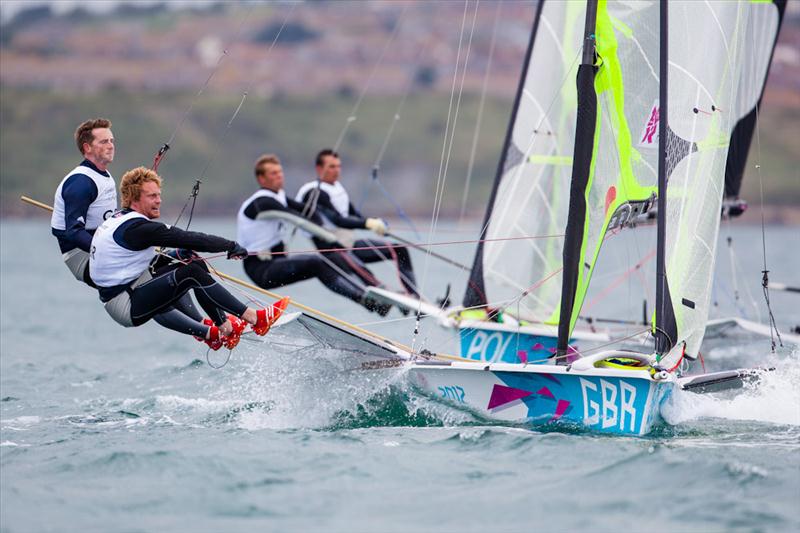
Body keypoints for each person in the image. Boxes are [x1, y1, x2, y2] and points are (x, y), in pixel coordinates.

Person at [90, 166, 289, 350]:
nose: (159, 200)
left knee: (190, 259)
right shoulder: (139, 228)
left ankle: (225, 328)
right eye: (152, 196)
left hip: (133, 285)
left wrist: (178, 254)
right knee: (191, 273)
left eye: (159, 195)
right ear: (134, 199)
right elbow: (190, 238)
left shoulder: (121, 219)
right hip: (126, 304)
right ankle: (255, 319)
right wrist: (231, 246)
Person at [236, 154, 390, 315]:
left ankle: (374, 290)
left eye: (280, 172)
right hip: (261, 270)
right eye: (273, 173)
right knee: (317, 262)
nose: (279, 176)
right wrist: (331, 238)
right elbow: (299, 220)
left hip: (277, 262)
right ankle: (367, 300)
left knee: (332, 258)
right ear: (261, 179)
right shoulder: (262, 203)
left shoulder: (278, 198)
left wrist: (329, 222)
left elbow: (308, 212)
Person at [296, 149, 418, 297]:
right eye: (332, 167)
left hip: (350, 245)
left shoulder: (336, 188)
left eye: (338, 166)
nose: (337, 170)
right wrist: (369, 223)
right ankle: (396, 301)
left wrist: (376, 223)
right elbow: (337, 220)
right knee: (372, 282)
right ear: (319, 169)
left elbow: (355, 215)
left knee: (399, 249)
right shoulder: (315, 192)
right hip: (334, 251)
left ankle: (413, 295)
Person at [51, 118, 117, 286]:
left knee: (169, 267)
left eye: (111, 141)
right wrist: (113, 250)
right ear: (87, 148)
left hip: (101, 245)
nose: (110, 145)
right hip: (80, 256)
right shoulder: (80, 182)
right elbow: (73, 232)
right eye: (104, 142)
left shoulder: (104, 175)